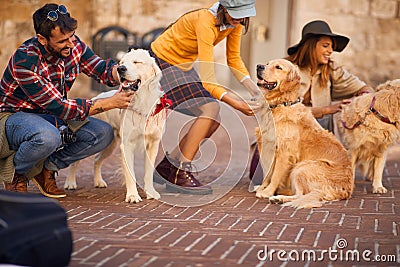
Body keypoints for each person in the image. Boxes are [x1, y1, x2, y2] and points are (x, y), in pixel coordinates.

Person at [0, 3, 134, 198]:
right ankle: (16, 173)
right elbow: (59, 107)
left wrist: (125, 71)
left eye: (72, 36)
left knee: (103, 134)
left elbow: (102, 70)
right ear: (42, 39)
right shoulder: (26, 60)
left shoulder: (74, 45)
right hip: (14, 118)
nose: (71, 44)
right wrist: (109, 103)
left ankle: (46, 169)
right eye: (63, 40)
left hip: (51, 117)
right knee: (48, 137)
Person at [150, 0, 261, 194]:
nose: (241, 18)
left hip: (182, 65)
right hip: (162, 61)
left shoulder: (234, 23)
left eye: (244, 14)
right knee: (211, 109)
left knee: (214, 119)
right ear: (224, 9)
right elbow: (209, 81)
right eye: (236, 13)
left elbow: (234, 59)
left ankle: (168, 168)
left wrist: (255, 91)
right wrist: (236, 104)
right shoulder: (205, 21)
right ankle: (181, 171)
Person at [249, 20, 374, 185]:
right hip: (282, 136)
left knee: (293, 179)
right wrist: (326, 109)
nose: (330, 51)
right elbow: (279, 110)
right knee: (257, 177)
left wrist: (362, 101)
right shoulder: (286, 70)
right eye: (325, 46)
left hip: (313, 142)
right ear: (311, 45)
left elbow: (365, 88)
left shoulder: (332, 69)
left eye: (332, 47)